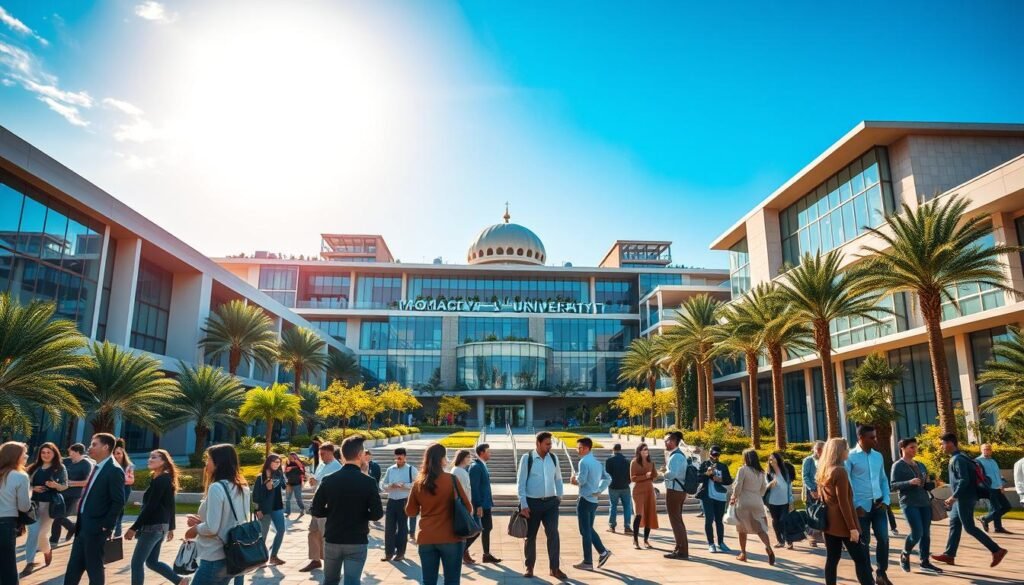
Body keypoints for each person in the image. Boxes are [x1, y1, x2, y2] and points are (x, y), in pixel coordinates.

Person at [310, 436, 384, 585]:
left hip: (333, 538)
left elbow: (315, 510)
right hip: (357, 539)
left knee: (330, 581)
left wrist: (332, 512)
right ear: (360, 455)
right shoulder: (368, 482)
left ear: (342, 456)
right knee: (352, 581)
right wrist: (361, 515)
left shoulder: (328, 479)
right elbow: (377, 514)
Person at [931, 433, 1008, 568]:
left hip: (964, 498)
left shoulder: (957, 459)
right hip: (964, 497)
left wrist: (954, 496)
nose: (941, 447)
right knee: (955, 524)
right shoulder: (962, 457)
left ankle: (996, 550)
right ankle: (949, 555)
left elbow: (964, 480)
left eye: (942, 444)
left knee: (969, 527)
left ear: (950, 443)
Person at [65, 433, 127, 585]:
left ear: (105, 447)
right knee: (73, 567)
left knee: (94, 568)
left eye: (94, 444)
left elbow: (118, 501)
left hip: (96, 528)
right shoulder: (97, 466)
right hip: (83, 526)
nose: (89, 447)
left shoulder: (114, 470)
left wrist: (107, 525)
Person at [406, 443, 473, 585]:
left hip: (426, 537)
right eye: (445, 456)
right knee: (452, 581)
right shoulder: (451, 479)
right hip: (451, 537)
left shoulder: (419, 483)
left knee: (428, 581)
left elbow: (410, 511)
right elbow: (468, 507)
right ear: (441, 459)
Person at [183, 444, 249, 585]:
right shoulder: (242, 487)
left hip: (214, 557)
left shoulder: (216, 487)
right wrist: (202, 522)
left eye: (208, 459)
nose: (206, 464)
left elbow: (212, 528)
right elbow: (233, 521)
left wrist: (194, 529)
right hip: (232, 556)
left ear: (218, 463)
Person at [124, 449, 187, 585]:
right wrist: (170, 527)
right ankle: (180, 581)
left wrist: (134, 528)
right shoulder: (163, 478)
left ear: (163, 462)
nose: (150, 459)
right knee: (152, 562)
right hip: (160, 526)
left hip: (152, 527)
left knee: (137, 563)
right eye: (150, 457)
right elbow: (168, 504)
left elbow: (152, 507)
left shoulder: (161, 480)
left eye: (154, 457)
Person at [818, 438, 874, 585]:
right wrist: (852, 528)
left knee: (832, 559)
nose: (848, 451)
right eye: (846, 448)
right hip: (843, 525)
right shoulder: (840, 471)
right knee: (861, 560)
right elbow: (844, 502)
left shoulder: (824, 470)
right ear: (839, 451)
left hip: (829, 524)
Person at [516, 431, 566, 580]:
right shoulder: (527, 458)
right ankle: (529, 567)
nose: (550, 446)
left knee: (553, 534)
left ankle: (554, 568)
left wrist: (559, 496)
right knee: (530, 536)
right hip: (532, 503)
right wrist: (524, 504)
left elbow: (558, 479)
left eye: (550, 443)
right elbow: (521, 483)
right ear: (538, 443)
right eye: (547, 444)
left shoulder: (553, 458)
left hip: (551, 504)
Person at [846, 425, 892, 585]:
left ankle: (881, 573)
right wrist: (855, 505)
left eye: (875, 436)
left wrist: (886, 500)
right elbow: (847, 484)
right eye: (872, 437)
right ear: (861, 438)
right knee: (863, 543)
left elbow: (883, 479)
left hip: (879, 505)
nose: (875, 440)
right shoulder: (850, 457)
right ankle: (867, 575)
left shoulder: (878, 456)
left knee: (884, 538)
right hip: (860, 508)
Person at [890, 437, 942, 574]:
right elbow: (893, 486)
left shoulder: (920, 465)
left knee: (926, 533)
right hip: (909, 503)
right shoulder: (898, 465)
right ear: (903, 448)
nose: (915, 449)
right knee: (917, 532)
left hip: (924, 502)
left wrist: (934, 484)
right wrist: (909, 482)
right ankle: (905, 553)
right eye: (911, 447)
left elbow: (924, 485)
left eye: (916, 447)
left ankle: (924, 562)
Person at [22, 442, 68, 577]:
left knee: (42, 534)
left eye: (49, 452)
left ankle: (47, 551)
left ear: (54, 453)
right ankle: (30, 562)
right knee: (33, 533)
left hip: (49, 506)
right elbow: (24, 484)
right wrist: (33, 488)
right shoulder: (33, 467)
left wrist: (55, 485)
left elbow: (64, 485)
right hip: (33, 505)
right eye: (43, 452)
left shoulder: (59, 468)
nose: (46, 455)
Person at [570, 437, 612, 571]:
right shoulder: (597, 463)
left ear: (587, 448)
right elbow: (608, 478)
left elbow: (581, 481)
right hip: (593, 500)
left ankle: (588, 561)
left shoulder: (583, 462)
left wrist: (574, 480)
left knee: (585, 531)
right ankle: (603, 552)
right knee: (588, 529)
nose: (577, 450)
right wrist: (599, 490)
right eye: (577, 448)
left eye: (580, 448)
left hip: (584, 499)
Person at [301, 441, 341, 572]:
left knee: (325, 534)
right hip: (317, 504)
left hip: (327, 506)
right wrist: (312, 481)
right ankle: (315, 560)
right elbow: (316, 483)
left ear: (331, 453)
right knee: (313, 532)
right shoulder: (321, 465)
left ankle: (330, 562)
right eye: (320, 453)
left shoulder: (337, 467)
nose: (321, 456)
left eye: (323, 454)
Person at [730, 448, 774, 565]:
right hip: (757, 502)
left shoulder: (743, 470)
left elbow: (738, 486)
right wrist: (756, 495)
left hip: (744, 502)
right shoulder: (761, 472)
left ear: (746, 458)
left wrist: (734, 497)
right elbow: (763, 490)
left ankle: (743, 554)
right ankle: (768, 547)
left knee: (741, 529)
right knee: (760, 529)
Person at [0, 442, 32, 585]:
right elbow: (24, 507)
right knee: (8, 565)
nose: (26, 456)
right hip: (6, 523)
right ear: (15, 456)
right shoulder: (20, 476)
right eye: (24, 453)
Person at [380, 447, 418, 562]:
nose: (398, 458)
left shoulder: (411, 469)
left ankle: (401, 553)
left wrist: (404, 485)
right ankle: (388, 553)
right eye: (397, 456)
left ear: (405, 456)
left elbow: (417, 485)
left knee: (402, 528)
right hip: (392, 500)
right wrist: (390, 485)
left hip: (404, 501)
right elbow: (382, 484)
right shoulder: (390, 469)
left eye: (401, 456)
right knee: (389, 528)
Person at [50, 443, 93, 545]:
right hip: (61, 493)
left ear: (77, 452)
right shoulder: (67, 461)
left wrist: (70, 483)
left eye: (71, 452)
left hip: (73, 495)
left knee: (59, 517)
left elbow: (87, 482)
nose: (69, 454)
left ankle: (53, 540)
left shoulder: (86, 464)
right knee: (56, 515)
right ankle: (72, 527)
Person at [467, 443, 500, 564]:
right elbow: (474, 488)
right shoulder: (476, 467)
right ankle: (461, 550)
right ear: (481, 452)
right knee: (477, 529)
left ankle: (486, 555)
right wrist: (478, 505)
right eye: (488, 451)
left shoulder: (482, 465)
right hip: (480, 504)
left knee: (487, 527)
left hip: (486, 503)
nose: (490, 453)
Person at [697, 444, 732, 553]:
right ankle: (711, 543)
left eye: (717, 454)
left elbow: (729, 480)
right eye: (713, 454)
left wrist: (720, 480)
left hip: (720, 497)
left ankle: (721, 543)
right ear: (709, 453)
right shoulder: (704, 464)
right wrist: (707, 473)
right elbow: (698, 478)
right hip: (707, 496)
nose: (715, 456)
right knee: (709, 520)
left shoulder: (723, 466)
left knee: (719, 521)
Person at [254, 453, 287, 565]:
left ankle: (273, 556)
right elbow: (256, 495)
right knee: (263, 534)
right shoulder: (261, 477)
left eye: (279, 462)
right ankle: (260, 559)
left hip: (277, 507)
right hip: (265, 509)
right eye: (275, 462)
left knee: (281, 530)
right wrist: (258, 509)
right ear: (269, 462)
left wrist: (282, 475)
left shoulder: (279, 474)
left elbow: (284, 486)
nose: (278, 464)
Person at [662, 430, 690, 560]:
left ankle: (681, 550)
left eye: (666, 440)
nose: (665, 443)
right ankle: (680, 548)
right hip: (677, 490)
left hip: (675, 491)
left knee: (675, 521)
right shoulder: (677, 455)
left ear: (673, 441)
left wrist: (663, 472)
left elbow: (672, 474)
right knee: (677, 520)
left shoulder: (676, 456)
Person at [977, 443, 1013, 534]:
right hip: (988, 488)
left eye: (989, 449)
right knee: (996, 509)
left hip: (998, 487)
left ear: (991, 451)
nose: (987, 451)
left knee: (1007, 507)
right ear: (981, 450)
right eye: (985, 449)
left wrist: (1001, 486)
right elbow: (978, 476)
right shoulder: (978, 461)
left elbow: (998, 474)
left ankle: (986, 519)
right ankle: (998, 527)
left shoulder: (993, 461)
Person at [630, 443, 659, 550]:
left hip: (649, 490)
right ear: (639, 451)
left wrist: (656, 474)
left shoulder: (651, 462)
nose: (646, 451)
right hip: (638, 491)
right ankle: (635, 540)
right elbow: (633, 478)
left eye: (647, 449)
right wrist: (645, 476)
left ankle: (646, 540)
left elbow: (654, 476)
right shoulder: (634, 462)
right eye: (644, 449)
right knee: (638, 514)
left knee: (649, 514)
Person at [448, 449, 474, 564]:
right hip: (463, 505)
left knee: (464, 532)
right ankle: (462, 553)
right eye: (468, 457)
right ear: (463, 458)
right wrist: (469, 506)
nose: (470, 459)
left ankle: (464, 553)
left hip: (461, 504)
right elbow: (464, 491)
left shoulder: (457, 470)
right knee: (467, 532)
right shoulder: (460, 471)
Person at [765, 451, 794, 550]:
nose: (771, 460)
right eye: (770, 458)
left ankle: (789, 541)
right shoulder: (769, 473)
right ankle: (780, 541)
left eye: (773, 458)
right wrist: (769, 485)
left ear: (778, 459)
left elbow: (789, 486)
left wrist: (791, 500)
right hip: (772, 501)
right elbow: (764, 487)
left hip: (785, 501)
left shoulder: (785, 471)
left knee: (784, 521)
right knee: (776, 521)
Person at [604, 443, 632, 535]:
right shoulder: (627, 461)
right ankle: (627, 527)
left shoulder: (609, 461)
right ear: (620, 449)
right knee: (627, 506)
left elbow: (607, 475)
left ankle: (612, 526)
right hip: (625, 487)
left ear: (613, 449)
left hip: (613, 487)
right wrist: (627, 482)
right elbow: (630, 475)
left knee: (613, 506)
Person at [802, 441, 824, 548]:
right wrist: (813, 489)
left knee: (822, 514)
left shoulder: (825, 460)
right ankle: (812, 537)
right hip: (811, 491)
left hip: (823, 491)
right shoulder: (808, 460)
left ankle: (821, 536)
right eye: (818, 449)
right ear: (814, 449)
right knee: (811, 514)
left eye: (822, 449)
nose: (820, 451)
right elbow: (805, 476)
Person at [112, 439, 135, 538]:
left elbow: (131, 480)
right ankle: (115, 530)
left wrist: (119, 480)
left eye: (118, 453)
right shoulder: (111, 464)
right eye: (114, 453)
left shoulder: (128, 466)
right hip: (114, 489)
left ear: (123, 454)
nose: (116, 455)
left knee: (119, 509)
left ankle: (117, 531)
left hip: (124, 489)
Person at [284, 452, 306, 517]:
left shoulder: (299, 463)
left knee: (298, 498)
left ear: (295, 457)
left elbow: (302, 470)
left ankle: (302, 509)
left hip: (297, 483)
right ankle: (287, 512)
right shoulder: (287, 463)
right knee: (287, 499)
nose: (291, 458)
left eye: (292, 457)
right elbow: (285, 472)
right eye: (289, 457)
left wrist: (292, 467)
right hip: (289, 483)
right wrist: (286, 471)